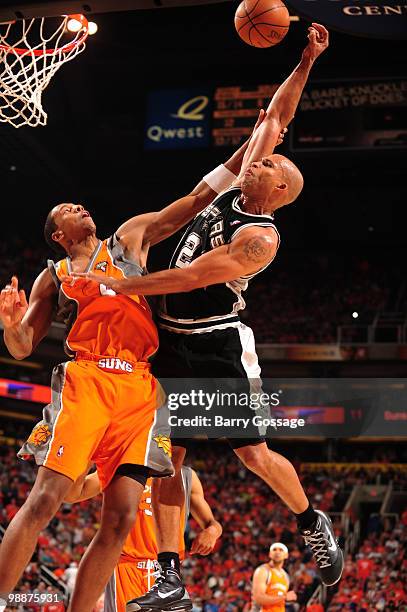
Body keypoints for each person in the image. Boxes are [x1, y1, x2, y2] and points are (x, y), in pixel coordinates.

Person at [72, 23, 344, 611]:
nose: (259, 162)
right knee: (171, 455)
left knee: (253, 455)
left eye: (269, 167)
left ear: (281, 189)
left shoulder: (260, 237)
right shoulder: (233, 186)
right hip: (169, 341)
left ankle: (309, 522)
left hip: (217, 344)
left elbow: (192, 276)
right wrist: (306, 60)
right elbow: (276, 118)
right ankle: (170, 574)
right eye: (260, 160)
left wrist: (123, 284)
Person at [0, 122, 263, 612]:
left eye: (80, 203)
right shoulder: (54, 275)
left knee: (120, 518)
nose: (80, 206)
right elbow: (20, 348)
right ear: (59, 234)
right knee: (46, 498)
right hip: (89, 379)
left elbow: (195, 199)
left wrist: (252, 148)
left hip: (141, 388)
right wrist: (12, 325)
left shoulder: (128, 241)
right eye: (68, 210)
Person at [64, 465, 222, 612]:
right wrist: (86, 457)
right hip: (127, 569)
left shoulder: (186, 475)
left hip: (167, 573)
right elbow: (73, 493)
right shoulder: (122, 465)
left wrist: (212, 532)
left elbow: (212, 523)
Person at [252, 543, 296, 612]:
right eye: (274, 550)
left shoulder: (285, 576)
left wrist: (288, 599)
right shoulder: (263, 571)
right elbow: (258, 598)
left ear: (286, 555)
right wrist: (284, 597)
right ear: (270, 554)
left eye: (281, 550)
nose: (277, 552)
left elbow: (279, 599)